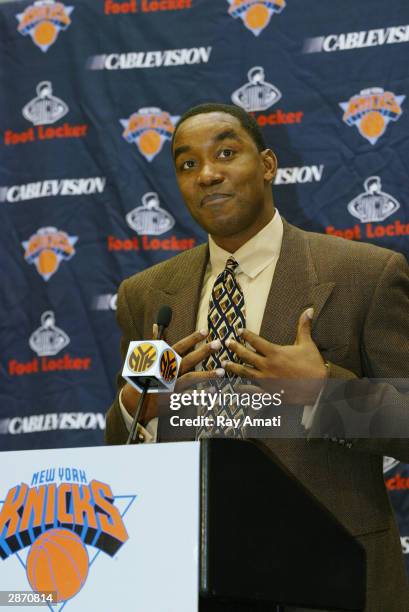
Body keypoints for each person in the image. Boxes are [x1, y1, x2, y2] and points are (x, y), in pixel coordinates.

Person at [106, 103, 409, 611]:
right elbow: (123, 443)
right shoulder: (148, 295)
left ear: (267, 164)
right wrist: (141, 410)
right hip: (188, 575)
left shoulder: (366, 274)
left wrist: (324, 391)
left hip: (328, 577)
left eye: (226, 152)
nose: (207, 174)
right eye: (187, 165)